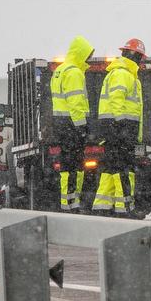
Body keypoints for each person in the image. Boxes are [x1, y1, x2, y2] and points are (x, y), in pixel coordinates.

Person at [91, 38, 147, 216]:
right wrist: (122, 124)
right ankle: (125, 208)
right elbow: (117, 99)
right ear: (135, 56)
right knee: (124, 168)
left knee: (111, 168)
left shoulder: (124, 73)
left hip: (115, 128)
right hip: (119, 128)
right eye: (140, 57)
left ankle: (102, 206)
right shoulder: (123, 73)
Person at [49, 36, 93, 210]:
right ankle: (73, 201)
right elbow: (75, 102)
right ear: (80, 53)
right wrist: (81, 125)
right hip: (72, 125)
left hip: (61, 123)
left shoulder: (60, 70)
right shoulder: (74, 72)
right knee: (76, 165)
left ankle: (65, 201)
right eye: (87, 55)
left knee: (67, 165)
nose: (88, 59)